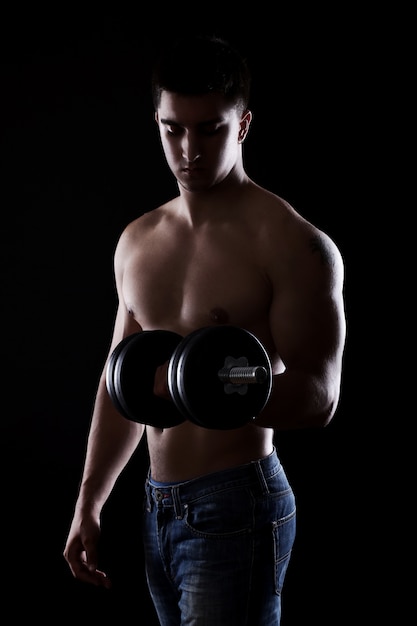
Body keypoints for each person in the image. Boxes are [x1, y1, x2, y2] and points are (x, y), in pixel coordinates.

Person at [63, 33, 346, 625]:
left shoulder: (292, 244)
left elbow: (320, 398)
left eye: (209, 129)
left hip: (237, 502)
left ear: (242, 126)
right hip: (156, 505)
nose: (188, 149)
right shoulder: (138, 242)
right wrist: (90, 500)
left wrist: (220, 386)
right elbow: (121, 385)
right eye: (173, 128)